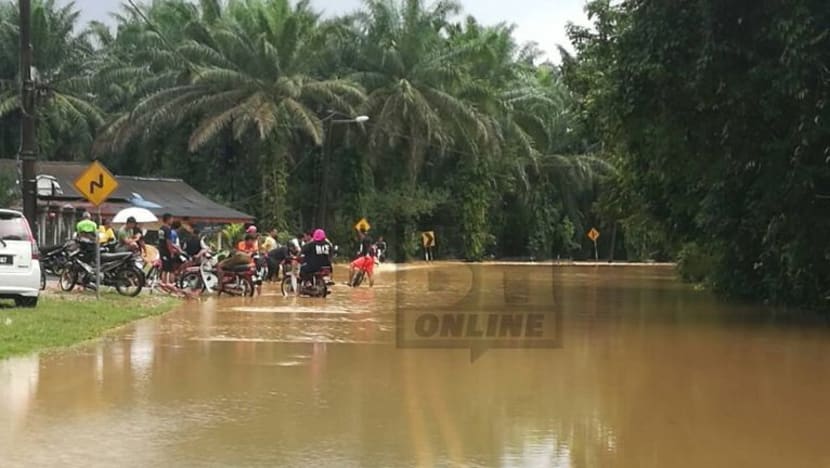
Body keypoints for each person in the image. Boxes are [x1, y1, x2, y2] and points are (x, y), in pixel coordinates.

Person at [157, 213, 183, 286]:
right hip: (166, 251)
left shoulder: (161, 229)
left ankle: (164, 283)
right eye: (171, 219)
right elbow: (169, 242)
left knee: (164, 269)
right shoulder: (167, 230)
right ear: (168, 219)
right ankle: (170, 284)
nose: (172, 221)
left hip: (161, 249)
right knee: (170, 270)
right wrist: (171, 252)